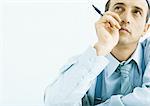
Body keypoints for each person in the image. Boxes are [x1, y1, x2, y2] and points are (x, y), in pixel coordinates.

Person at [44, 0, 150, 105]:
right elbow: (55, 103)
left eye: (137, 12)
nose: (126, 19)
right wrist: (101, 47)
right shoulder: (87, 64)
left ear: (146, 28)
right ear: (104, 17)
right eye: (118, 8)